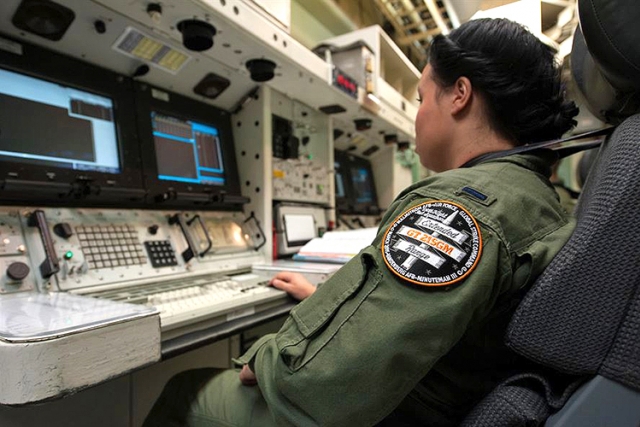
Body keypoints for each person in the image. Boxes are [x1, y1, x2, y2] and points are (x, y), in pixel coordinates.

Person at [143, 17, 579, 427]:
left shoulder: (460, 206)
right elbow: (438, 317)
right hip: (437, 397)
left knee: (184, 391)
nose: (419, 115)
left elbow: (322, 384)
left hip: (400, 411)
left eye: (422, 98)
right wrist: (326, 301)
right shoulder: (535, 198)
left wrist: (269, 358)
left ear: (459, 94)